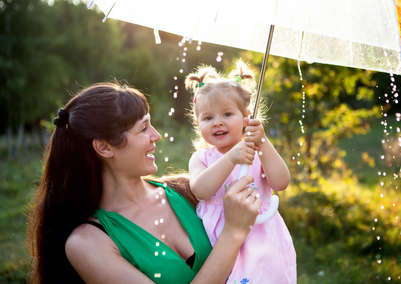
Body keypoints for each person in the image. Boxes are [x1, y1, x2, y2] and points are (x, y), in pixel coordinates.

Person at [27, 82, 261, 284]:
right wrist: (234, 232)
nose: (156, 135)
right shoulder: (87, 243)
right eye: (143, 128)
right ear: (105, 147)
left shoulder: (186, 191)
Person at [185, 62, 297, 283]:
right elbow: (201, 190)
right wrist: (231, 158)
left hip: (260, 235)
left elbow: (281, 182)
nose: (217, 122)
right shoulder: (202, 158)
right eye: (208, 118)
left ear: (247, 117)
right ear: (198, 124)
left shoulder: (259, 151)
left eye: (227, 114)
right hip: (221, 239)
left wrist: (262, 142)